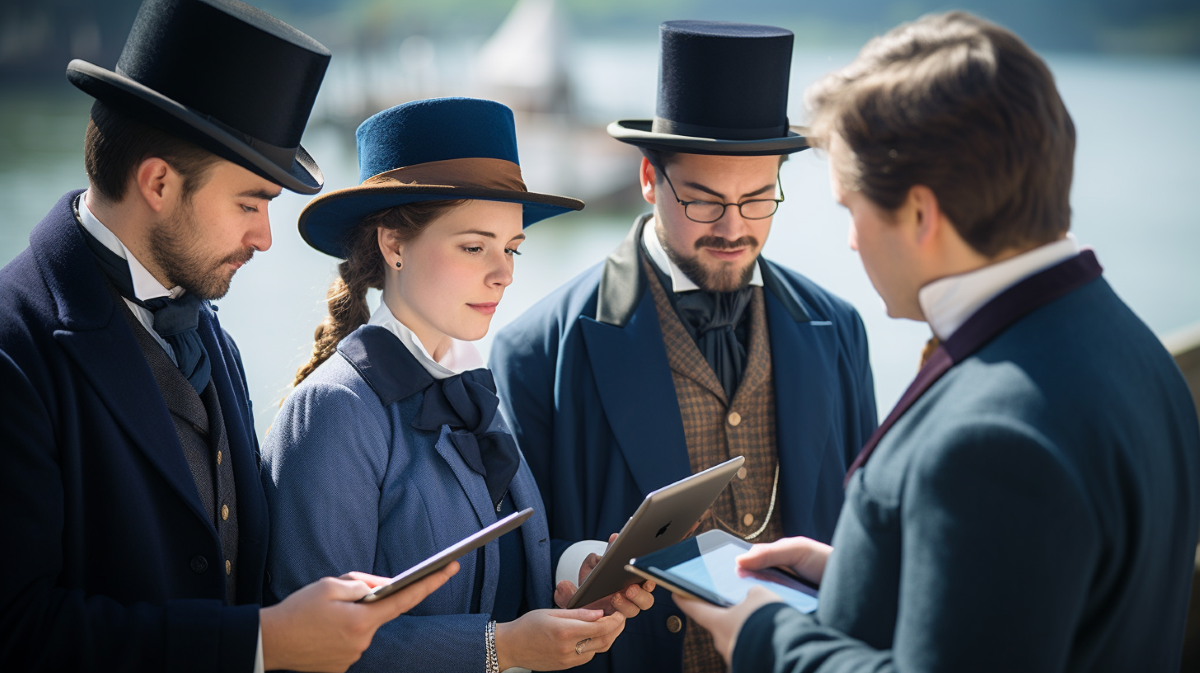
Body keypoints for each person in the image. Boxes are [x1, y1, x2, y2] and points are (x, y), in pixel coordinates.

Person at [677, 11, 1200, 673]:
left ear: (921, 213)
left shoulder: (987, 439)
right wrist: (871, 573)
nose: (851, 240)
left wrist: (767, 638)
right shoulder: (1140, 356)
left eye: (851, 208)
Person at [0, 1, 457, 671]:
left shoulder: (210, 331)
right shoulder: (14, 345)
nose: (265, 238)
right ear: (158, 182)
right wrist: (261, 642)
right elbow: (17, 631)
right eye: (251, 203)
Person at [489, 20, 878, 673]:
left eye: (758, 200)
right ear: (649, 177)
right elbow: (508, 561)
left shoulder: (839, 328)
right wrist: (577, 564)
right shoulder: (535, 349)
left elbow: (866, 534)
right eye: (703, 202)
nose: (733, 227)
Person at [261, 97, 655, 673]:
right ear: (393, 245)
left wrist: (578, 576)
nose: (504, 273)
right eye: (474, 247)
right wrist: (501, 648)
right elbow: (309, 652)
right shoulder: (334, 410)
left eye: (511, 248)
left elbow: (495, 569)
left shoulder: (470, 382)